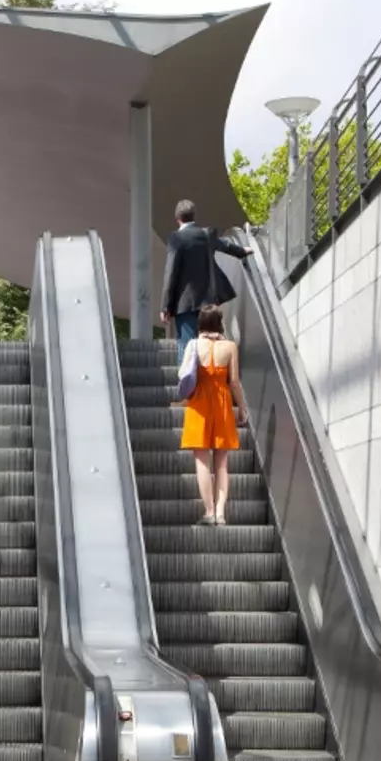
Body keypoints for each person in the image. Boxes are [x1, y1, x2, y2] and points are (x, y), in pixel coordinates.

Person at [159, 199, 253, 366]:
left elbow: (171, 272)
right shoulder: (206, 234)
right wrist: (242, 251)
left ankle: (189, 388)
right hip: (209, 303)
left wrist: (166, 306)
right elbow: (224, 245)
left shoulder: (176, 238)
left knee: (188, 349)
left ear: (177, 218)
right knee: (211, 348)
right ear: (194, 216)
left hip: (185, 304)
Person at [181, 305, 244, 526]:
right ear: (219, 323)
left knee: (201, 461)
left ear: (200, 323)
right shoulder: (230, 347)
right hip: (222, 403)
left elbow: (182, 374)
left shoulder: (193, 345)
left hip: (198, 404)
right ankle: (220, 512)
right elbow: (234, 382)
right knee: (222, 462)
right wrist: (242, 408)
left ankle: (208, 512)